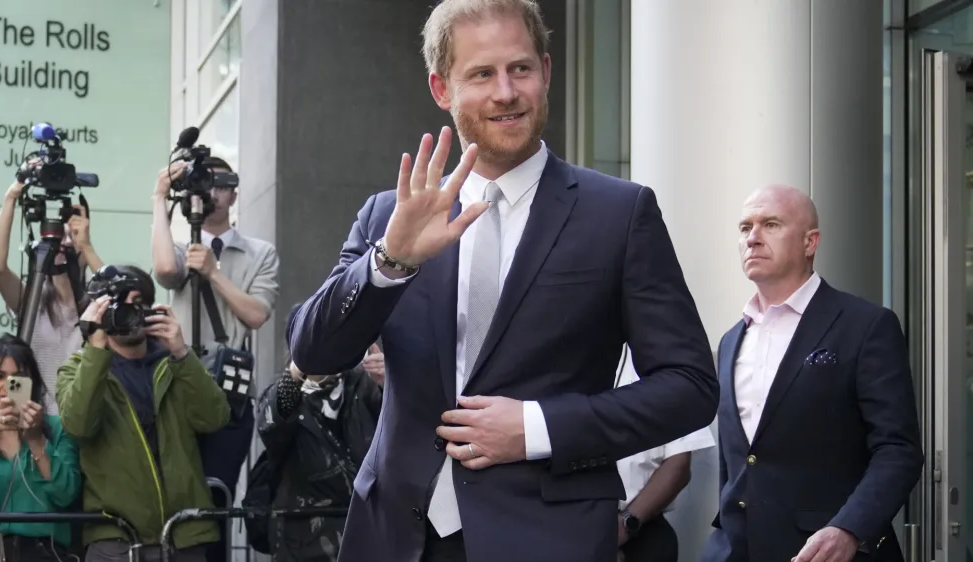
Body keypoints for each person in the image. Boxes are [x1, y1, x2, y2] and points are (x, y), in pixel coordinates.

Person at [286, 1, 718, 561]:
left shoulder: (619, 214)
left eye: (520, 69)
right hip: (395, 536)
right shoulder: (390, 217)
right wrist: (389, 261)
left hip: (547, 538)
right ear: (442, 88)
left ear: (546, 71)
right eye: (482, 74)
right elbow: (312, 351)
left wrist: (538, 427)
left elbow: (690, 387)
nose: (506, 92)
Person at [701, 185, 923, 562]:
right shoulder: (730, 341)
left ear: (810, 242)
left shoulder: (866, 326)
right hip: (736, 551)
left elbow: (898, 450)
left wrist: (850, 528)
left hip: (830, 552)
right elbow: (737, 462)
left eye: (771, 224)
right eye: (745, 228)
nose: (753, 238)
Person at [151, 157, 279, 562]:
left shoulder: (259, 252)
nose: (211, 193)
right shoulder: (179, 247)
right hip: (180, 384)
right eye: (202, 184)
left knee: (216, 495)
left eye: (219, 184)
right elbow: (164, 270)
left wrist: (213, 271)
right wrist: (159, 198)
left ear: (234, 193)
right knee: (177, 492)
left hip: (230, 393)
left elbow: (256, 314)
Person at [56, 266, 231, 562]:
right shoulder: (78, 370)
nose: (130, 313)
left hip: (184, 536)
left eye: (138, 303)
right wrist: (96, 349)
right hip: (116, 538)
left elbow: (216, 418)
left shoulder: (176, 364)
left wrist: (182, 353)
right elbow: (79, 426)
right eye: (119, 306)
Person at [0, 179, 104, 414]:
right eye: (58, 236)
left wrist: (87, 246)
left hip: (82, 419)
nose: (63, 243)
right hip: (34, 419)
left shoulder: (96, 305)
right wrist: (11, 198)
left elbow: (118, 295)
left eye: (72, 236)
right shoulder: (33, 301)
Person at [255, 358, 382, 561]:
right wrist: (298, 371)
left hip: (364, 529)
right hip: (301, 535)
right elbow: (269, 425)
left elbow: (402, 425)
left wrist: (389, 382)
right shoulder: (287, 391)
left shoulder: (363, 383)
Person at [0, 334, 80, 562]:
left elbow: (66, 494)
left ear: (32, 383)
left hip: (45, 552)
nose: (8, 386)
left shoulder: (57, 428)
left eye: (19, 378)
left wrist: (36, 440)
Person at [613, 348, 716, 562]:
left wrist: (623, 527)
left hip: (640, 527)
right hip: (566, 529)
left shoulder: (666, 366)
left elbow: (679, 464)